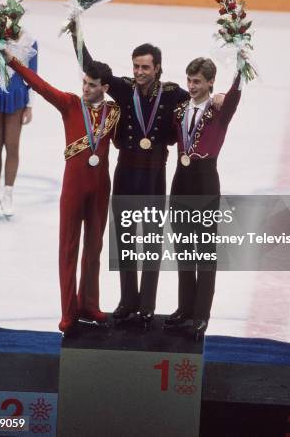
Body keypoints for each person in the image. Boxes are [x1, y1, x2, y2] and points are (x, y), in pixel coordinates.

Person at [70, 33, 225, 326]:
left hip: (155, 174)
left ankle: (147, 304)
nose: (139, 72)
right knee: (126, 237)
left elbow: (202, 98)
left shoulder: (173, 94)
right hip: (126, 171)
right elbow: (91, 66)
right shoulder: (124, 89)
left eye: (145, 67)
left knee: (151, 240)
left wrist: (221, 97)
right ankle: (128, 300)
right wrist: (76, 32)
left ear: (157, 68)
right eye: (136, 67)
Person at [3, 49, 120, 336]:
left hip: (101, 186)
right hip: (74, 186)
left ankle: (89, 304)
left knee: (94, 248)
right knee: (68, 248)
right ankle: (69, 312)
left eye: (92, 85)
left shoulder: (114, 112)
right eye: (84, 82)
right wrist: (13, 62)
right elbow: (41, 85)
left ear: (105, 88)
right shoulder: (69, 103)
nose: (86, 88)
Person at [164, 55, 246, 340]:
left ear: (211, 82)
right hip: (181, 180)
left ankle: (200, 315)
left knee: (204, 253)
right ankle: (185, 308)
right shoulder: (181, 109)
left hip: (205, 180)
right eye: (189, 80)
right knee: (184, 249)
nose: (192, 86)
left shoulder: (219, 110)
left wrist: (239, 66)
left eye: (197, 81)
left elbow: (234, 95)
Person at [0, 0, 37, 218]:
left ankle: (8, 194)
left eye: (14, 14)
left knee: (12, 147)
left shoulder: (29, 41)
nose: (10, 18)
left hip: (16, 98)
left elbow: (32, 77)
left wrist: (29, 105)